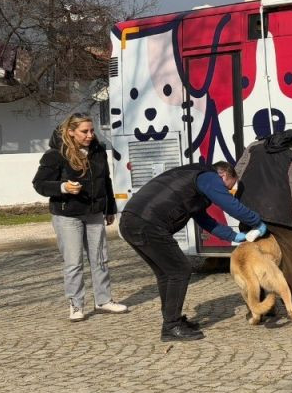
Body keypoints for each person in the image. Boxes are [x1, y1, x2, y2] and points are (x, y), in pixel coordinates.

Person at [119, 161, 266, 341]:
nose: (227, 191)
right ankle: (171, 327)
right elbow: (229, 205)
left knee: (167, 273)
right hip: (148, 224)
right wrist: (257, 222)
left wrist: (234, 237)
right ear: (224, 176)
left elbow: (205, 220)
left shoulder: (194, 182)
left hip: (131, 221)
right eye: (229, 186)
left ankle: (172, 320)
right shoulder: (208, 177)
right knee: (180, 270)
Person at [32, 112, 128, 322]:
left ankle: (103, 300)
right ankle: (76, 304)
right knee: (74, 262)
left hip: (94, 212)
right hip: (68, 215)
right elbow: (39, 184)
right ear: (71, 132)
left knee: (100, 258)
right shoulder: (55, 154)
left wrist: (110, 208)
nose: (90, 135)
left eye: (92, 130)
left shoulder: (98, 151)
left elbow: (106, 180)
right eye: (84, 131)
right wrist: (63, 187)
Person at [234, 125, 292, 320]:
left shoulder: (255, 145)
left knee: (254, 258)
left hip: (249, 210)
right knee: (290, 260)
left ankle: (258, 309)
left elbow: (238, 172)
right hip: (284, 212)